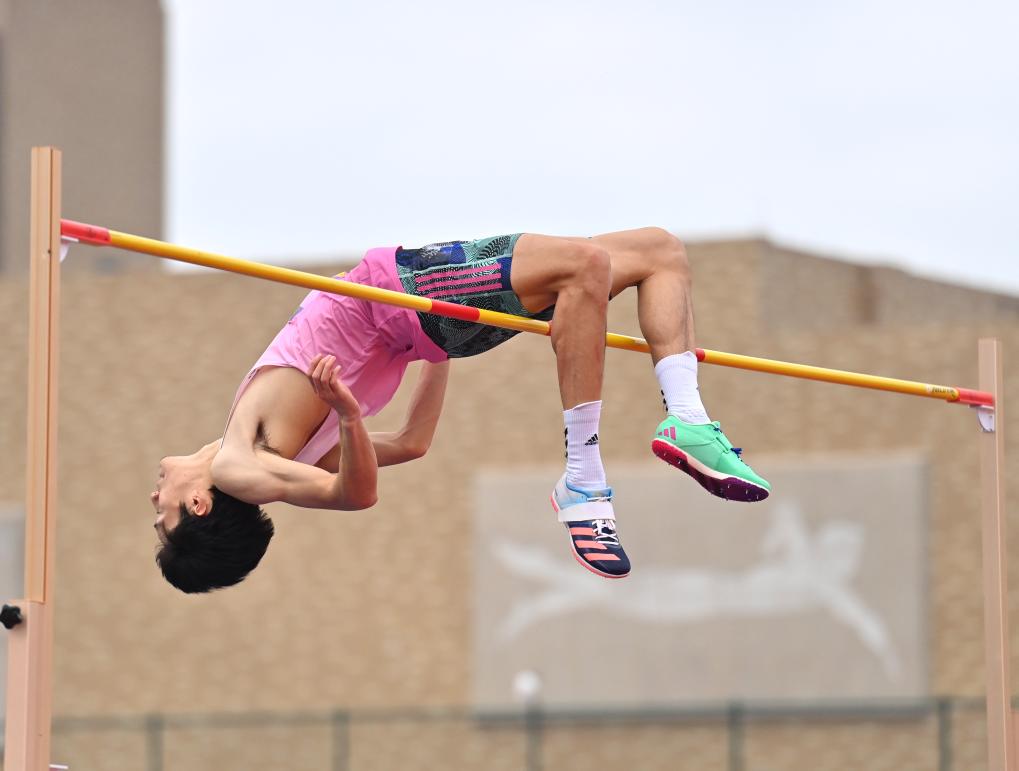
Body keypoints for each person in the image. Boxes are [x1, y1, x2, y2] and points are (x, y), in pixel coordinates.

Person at [150, 228, 769, 593]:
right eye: (163, 519)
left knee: (657, 253)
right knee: (588, 266)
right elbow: (352, 494)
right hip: (407, 296)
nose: (155, 502)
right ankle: (583, 480)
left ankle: (686, 415)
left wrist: (433, 353)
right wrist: (345, 410)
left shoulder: (270, 450)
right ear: (199, 507)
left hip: (423, 324)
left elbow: (416, 441)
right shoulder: (237, 466)